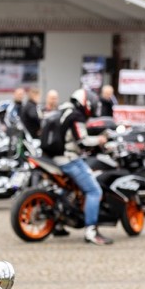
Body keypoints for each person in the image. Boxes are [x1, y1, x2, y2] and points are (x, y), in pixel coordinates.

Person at [51, 88, 113, 245]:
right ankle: (91, 231)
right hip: (69, 158)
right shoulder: (76, 116)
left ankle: (58, 224)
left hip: (54, 158)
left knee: (67, 190)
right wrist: (99, 140)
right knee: (94, 191)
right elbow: (82, 140)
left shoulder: (63, 110)